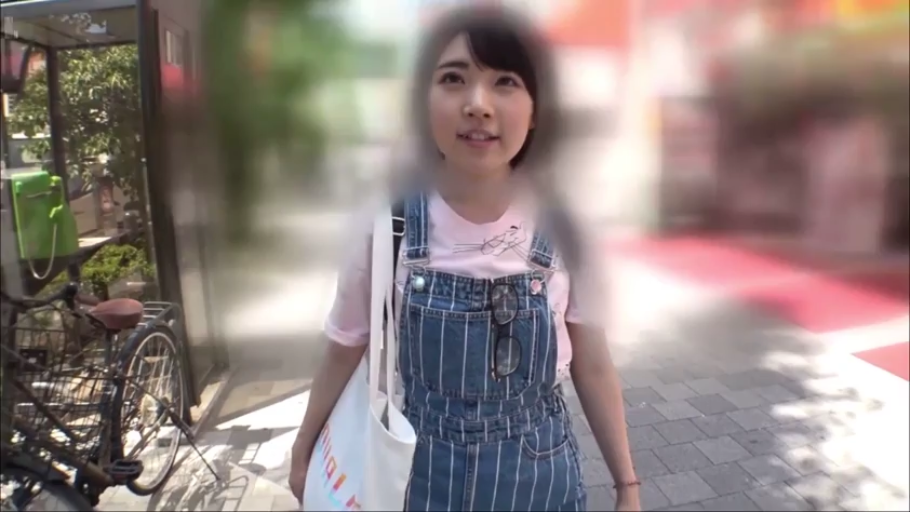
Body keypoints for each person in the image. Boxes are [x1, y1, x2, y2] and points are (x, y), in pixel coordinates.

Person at [289, 7, 640, 511]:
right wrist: (304, 445)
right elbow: (345, 344)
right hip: (417, 477)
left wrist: (627, 485)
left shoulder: (566, 227)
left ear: (536, 110)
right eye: (454, 79)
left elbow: (594, 364)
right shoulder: (387, 224)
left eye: (505, 82)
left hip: (540, 481)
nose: (478, 104)